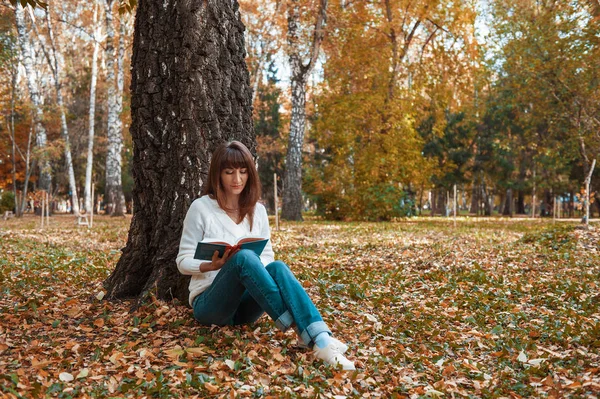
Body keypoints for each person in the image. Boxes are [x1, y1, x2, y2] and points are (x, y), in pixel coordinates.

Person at [176, 141, 355, 370]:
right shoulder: (201, 208)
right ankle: (313, 336)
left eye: (243, 172)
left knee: (277, 267)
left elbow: (268, 257)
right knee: (243, 259)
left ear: (250, 174)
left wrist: (254, 267)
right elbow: (182, 262)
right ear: (217, 175)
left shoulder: (258, 211)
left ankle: (318, 339)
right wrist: (210, 266)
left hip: (246, 311)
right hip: (211, 306)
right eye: (229, 172)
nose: (237, 179)